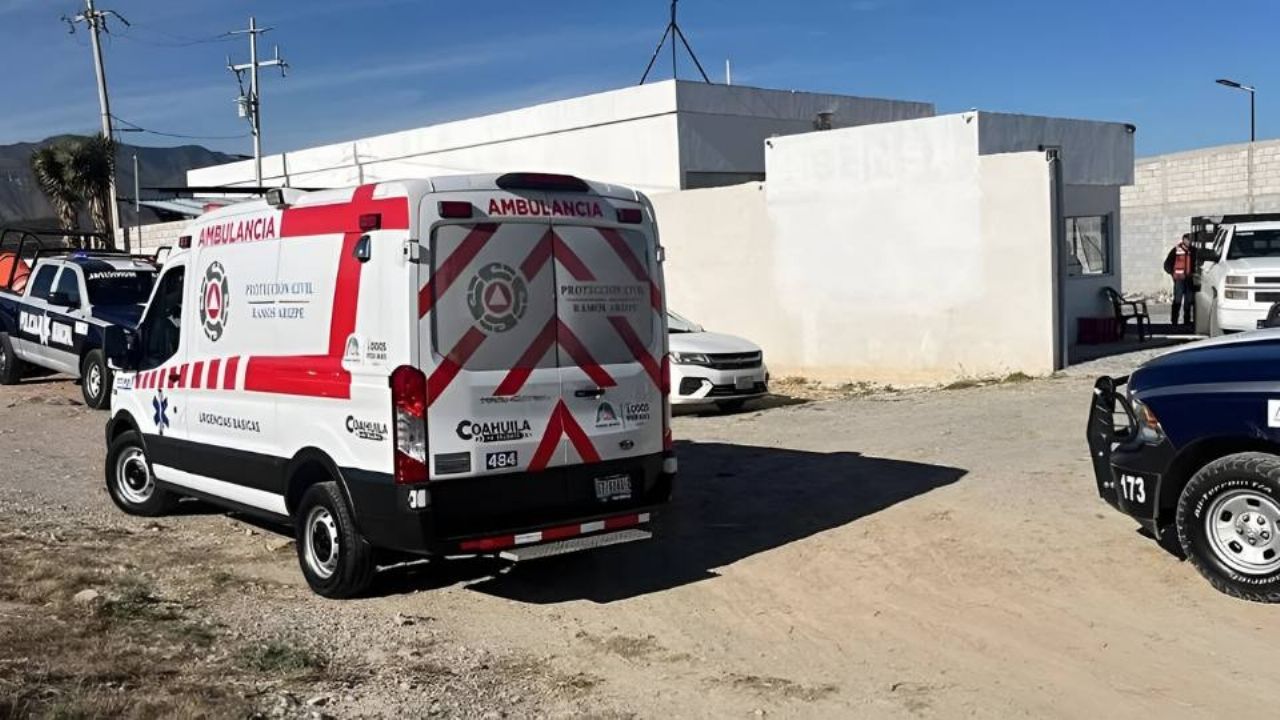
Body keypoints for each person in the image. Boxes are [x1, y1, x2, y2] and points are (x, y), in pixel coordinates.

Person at [1163, 233, 1195, 325]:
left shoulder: (1193, 251)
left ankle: (1187, 321)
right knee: (1177, 300)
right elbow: (1167, 265)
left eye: (1190, 240)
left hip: (1189, 279)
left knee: (1189, 301)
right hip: (1179, 280)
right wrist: (1173, 274)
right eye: (1188, 240)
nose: (1189, 242)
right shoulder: (1176, 250)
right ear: (1184, 240)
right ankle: (1174, 321)